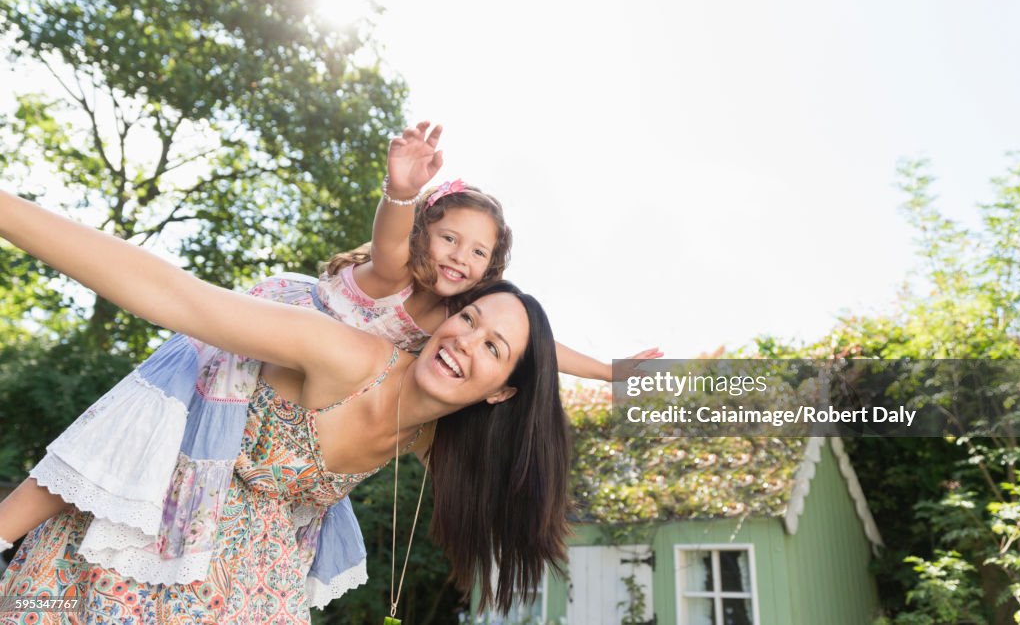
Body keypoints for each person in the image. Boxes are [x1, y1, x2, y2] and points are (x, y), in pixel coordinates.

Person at [0, 122, 659, 562]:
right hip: (251, 341)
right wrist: (400, 192)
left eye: (477, 253)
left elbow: (533, 348)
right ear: (429, 233)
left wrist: (608, 372)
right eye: (449, 237)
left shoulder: (457, 322)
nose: (457, 257)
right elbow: (180, 295)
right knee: (130, 432)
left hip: (293, 422)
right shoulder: (399, 271)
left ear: (491, 274)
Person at [0, 189, 570, 622]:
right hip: (152, 534)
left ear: (502, 392)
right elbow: (174, 295)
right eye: (468, 319)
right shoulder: (348, 356)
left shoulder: (436, 438)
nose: (467, 341)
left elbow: (540, 364)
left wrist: (625, 376)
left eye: (492, 347)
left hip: (251, 581)